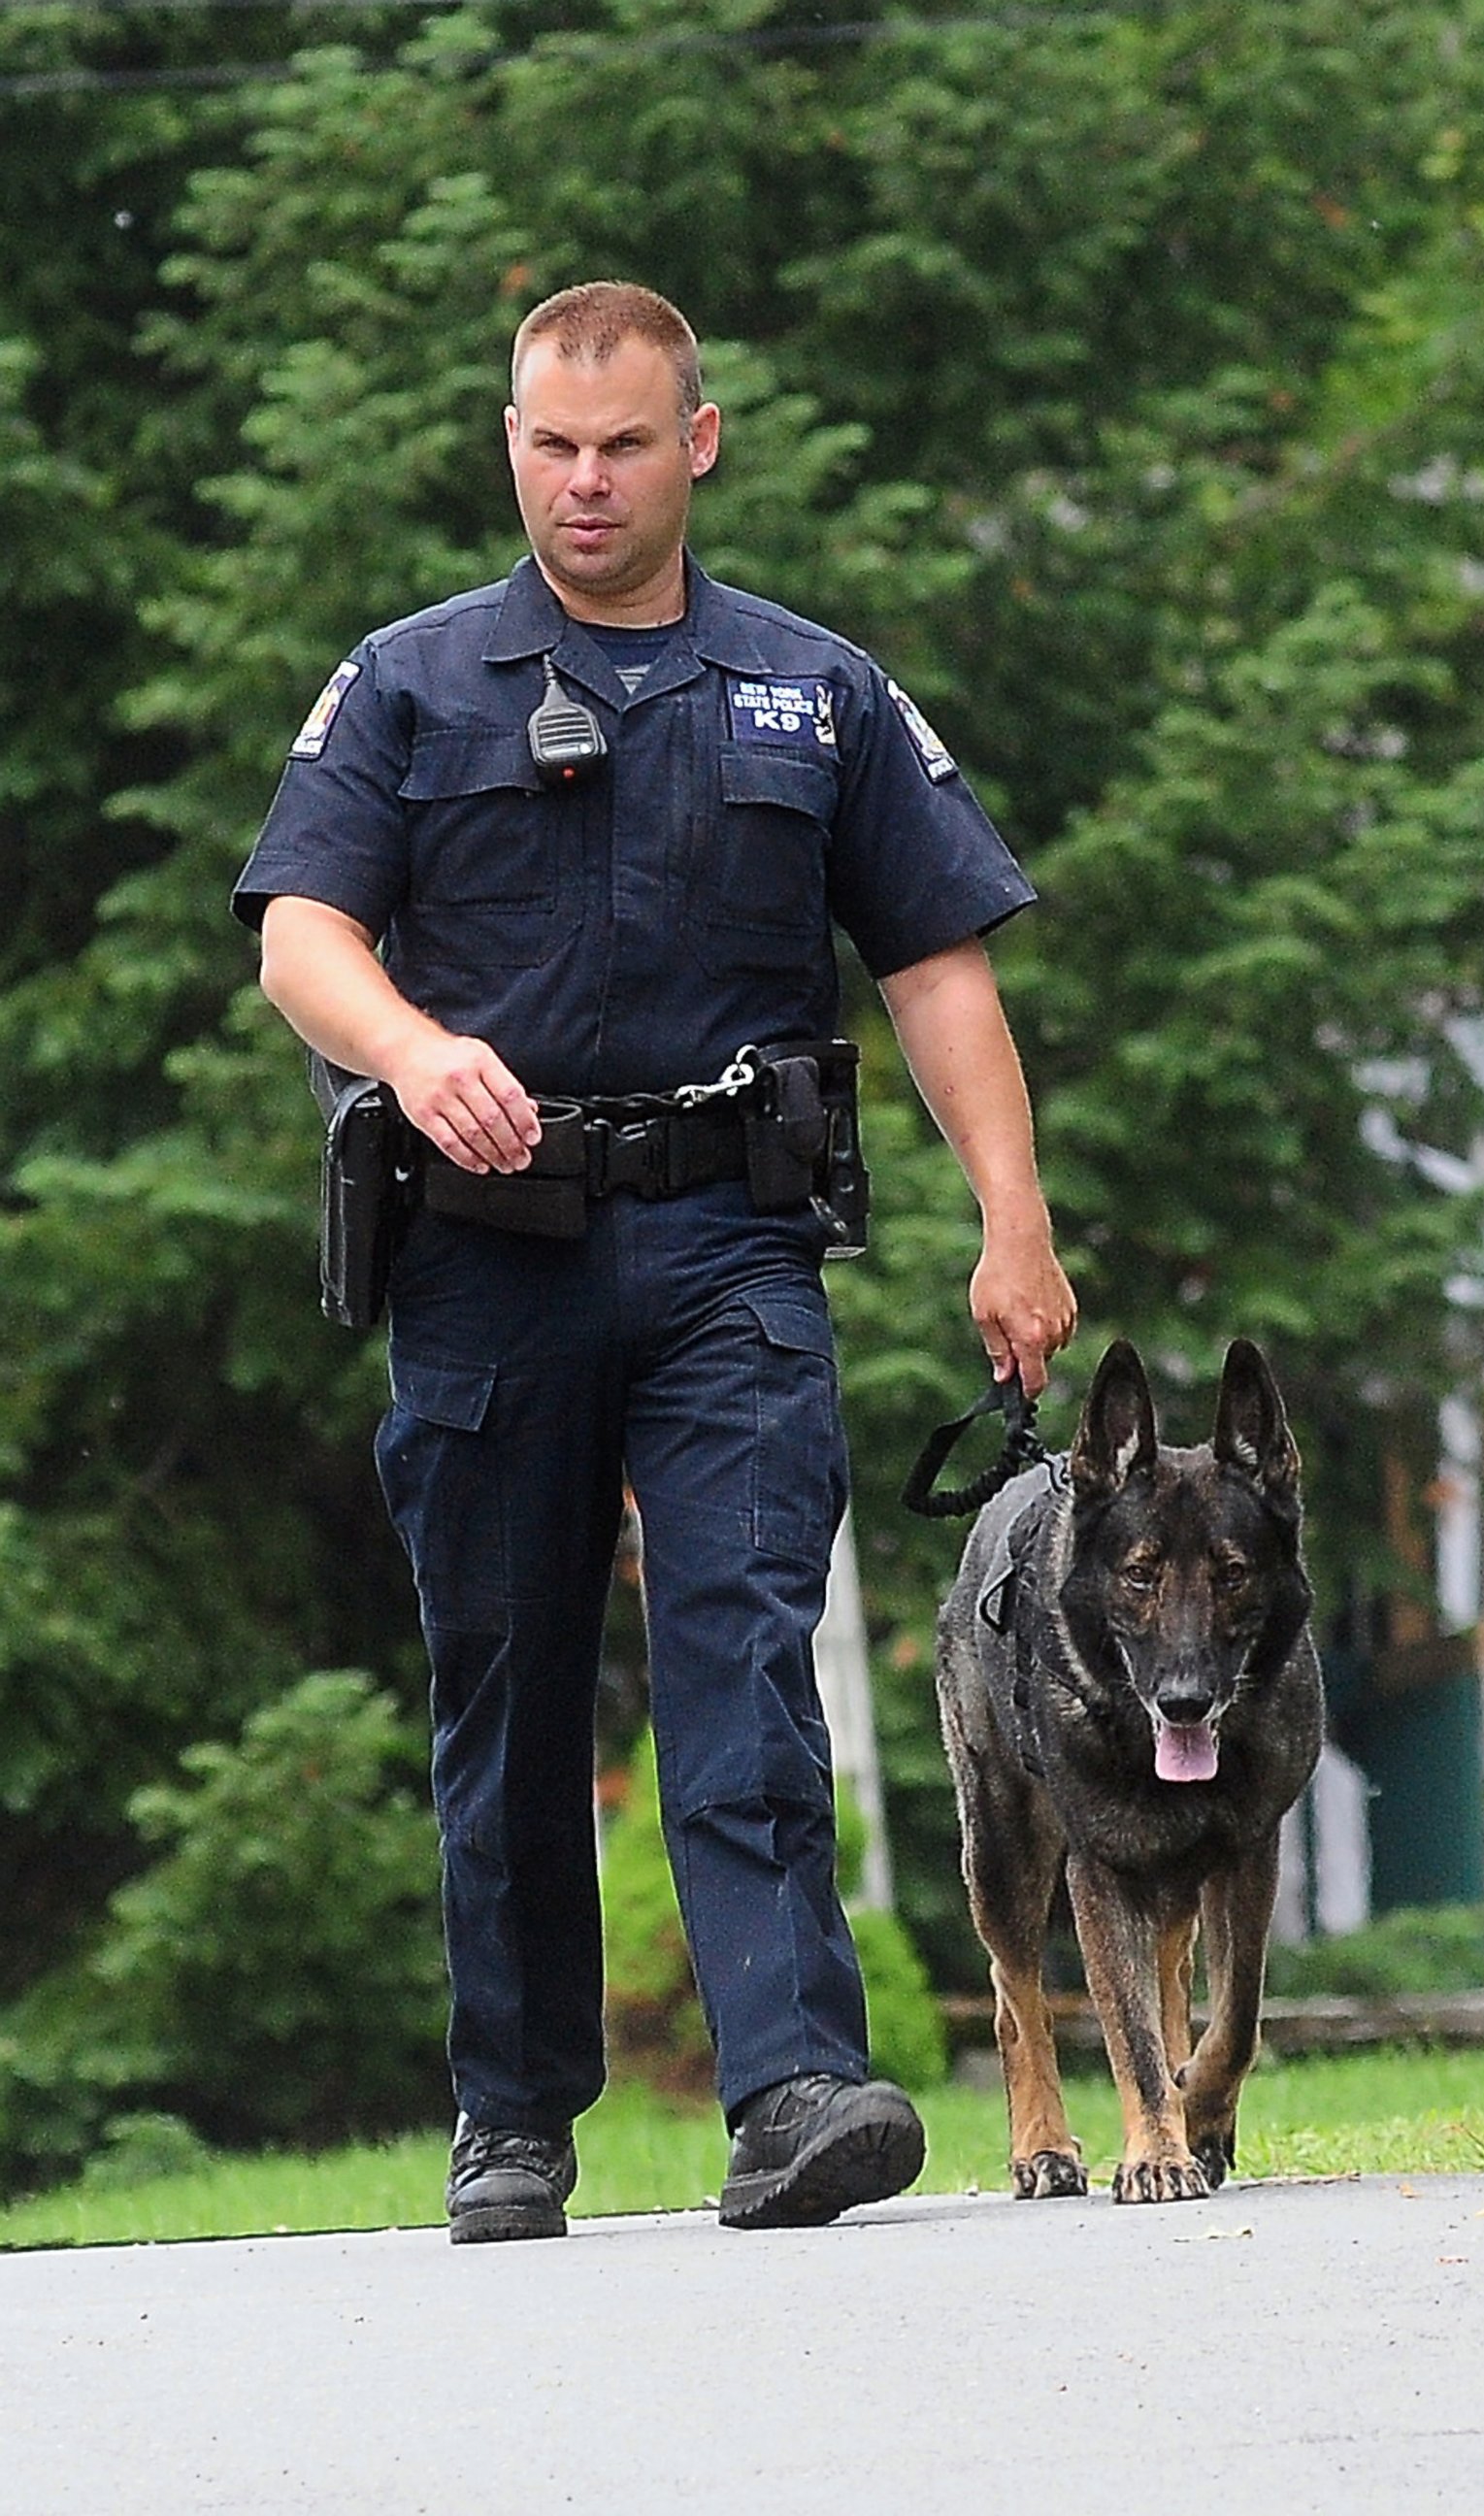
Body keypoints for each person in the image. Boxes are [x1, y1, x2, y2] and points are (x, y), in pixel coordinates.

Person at [232, 281, 1076, 2241]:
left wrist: (1012, 1221)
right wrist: (417, 1050)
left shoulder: (815, 690)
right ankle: (512, 2116)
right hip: (485, 1254)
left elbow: (936, 963)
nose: (585, 481)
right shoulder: (411, 685)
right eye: (551, 445)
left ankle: (794, 2088)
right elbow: (300, 935)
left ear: (695, 444)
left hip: (726, 1244)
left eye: (623, 444)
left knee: (739, 1652)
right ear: (509, 444)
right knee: (509, 1688)